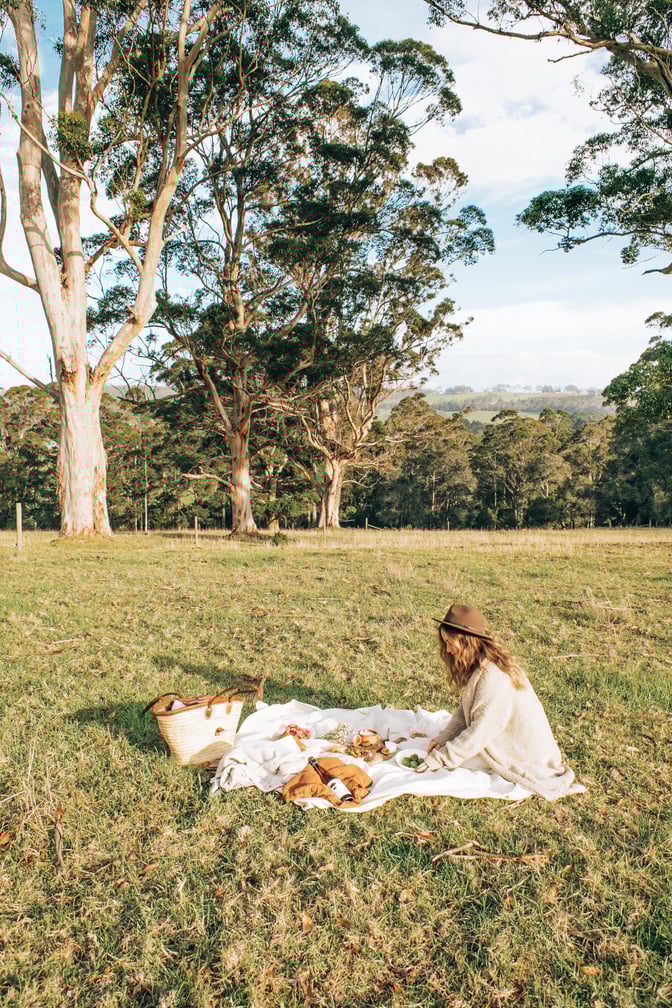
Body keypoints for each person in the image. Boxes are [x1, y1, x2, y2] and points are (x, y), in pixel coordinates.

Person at [416, 603, 585, 801]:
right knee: (454, 753)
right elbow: (465, 711)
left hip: (523, 753)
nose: (447, 648)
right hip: (497, 733)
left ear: (468, 642)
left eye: (450, 641)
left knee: (457, 764)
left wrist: (444, 757)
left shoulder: (493, 675)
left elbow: (483, 730)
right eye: (444, 641)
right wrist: (444, 738)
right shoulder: (479, 665)